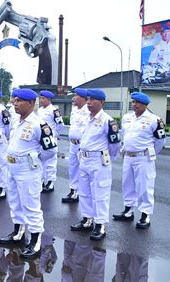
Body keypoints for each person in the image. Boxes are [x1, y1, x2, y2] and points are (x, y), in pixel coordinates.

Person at [0, 89, 57, 258]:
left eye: (19, 101)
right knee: (15, 203)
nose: (15, 103)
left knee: (31, 205)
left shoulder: (39, 125)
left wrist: (34, 160)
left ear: (31, 103)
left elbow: (50, 150)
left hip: (28, 169)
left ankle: (35, 241)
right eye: (14, 100)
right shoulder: (16, 122)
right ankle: (18, 233)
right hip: (13, 167)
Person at [70, 89, 121, 241]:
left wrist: (106, 157)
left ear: (102, 102)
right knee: (84, 191)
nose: (89, 103)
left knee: (100, 194)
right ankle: (87, 219)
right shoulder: (86, 118)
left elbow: (115, 144)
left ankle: (100, 225)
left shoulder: (107, 121)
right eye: (88, 99)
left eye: (93, 100)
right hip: (84, 159)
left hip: (99, 161)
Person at [113, 92, 166, 229]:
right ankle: (128, 211)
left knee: (144, 186)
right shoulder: (126, 118)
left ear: (145, 105)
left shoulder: (154, 119)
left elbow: (160, 141)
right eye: (134, 102)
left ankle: (145, 215)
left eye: (138, 103)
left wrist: (150, 152)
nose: (134, 105)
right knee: (127, 185)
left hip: (144, 157)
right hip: (128, 157)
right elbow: (123, 135)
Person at [62, 88, 90, 203]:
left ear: (83, 98)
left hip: (82, 145)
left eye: (76, 96)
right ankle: (73, 190)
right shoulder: (75, 110)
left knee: (83, 170)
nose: (73, 98)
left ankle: (81, 193)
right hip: (73, 144)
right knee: (73, 168)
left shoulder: (88, 111)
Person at [37, 90, 64, 192]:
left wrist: (55, 134)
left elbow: (60, 124)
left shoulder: (54, 110)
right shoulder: (39, 110)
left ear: (49, 99)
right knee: (41, 161)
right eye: (40, 98)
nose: (41, 100)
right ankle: (43, 180)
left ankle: (50, 182)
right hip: (41, 139)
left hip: (51, 139)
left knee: (51, 162)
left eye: (43, 98)